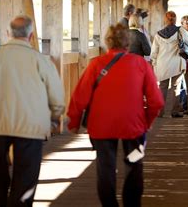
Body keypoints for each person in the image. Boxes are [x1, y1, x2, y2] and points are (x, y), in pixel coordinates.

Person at [0, 15, 65, 207]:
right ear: (30, 36)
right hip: (32, 126)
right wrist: (55, 117)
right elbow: (56, 93)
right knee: (26, 175)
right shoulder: (41, 60)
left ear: (8, 34)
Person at [67, 24, 164, 207]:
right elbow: (156, 101)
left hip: (101, 127)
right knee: (134, 165)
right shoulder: (140, 64)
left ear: (107, 42)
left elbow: (79, 97)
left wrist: (73, 121)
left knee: (106, 168)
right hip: (133, 127)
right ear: (128, 42)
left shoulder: (96, 64)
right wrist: (147, 121)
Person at [151, 11, 188, 118]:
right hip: (177, 63)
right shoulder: (181, 31)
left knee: (163, 88)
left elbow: (154, 53)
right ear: (175, 20)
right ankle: (175, 111)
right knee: (176, 87)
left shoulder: (158, 34)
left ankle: (160, 111)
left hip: (162, 64)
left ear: (165, 20)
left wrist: (154, 63)